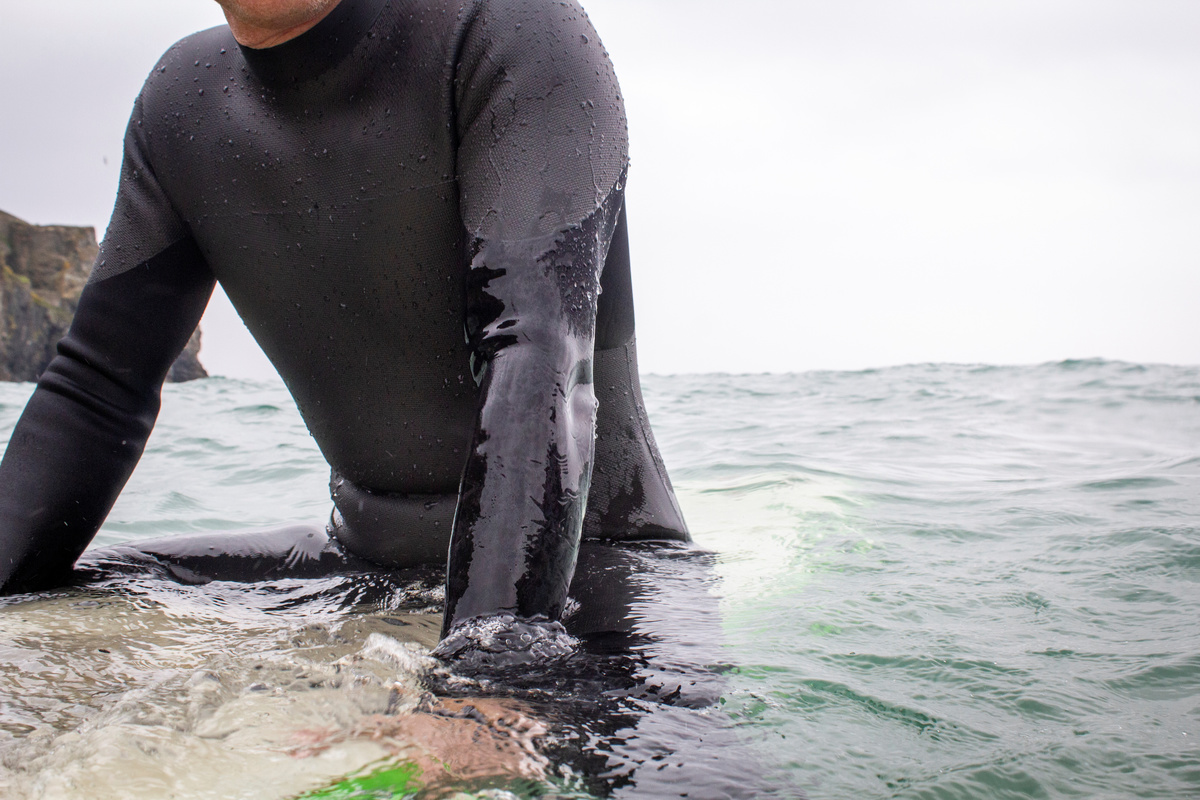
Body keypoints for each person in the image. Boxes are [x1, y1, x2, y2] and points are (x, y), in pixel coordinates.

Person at [0, 0, 689, 655]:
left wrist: (489, 672)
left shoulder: (504, 28)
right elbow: (96, 389)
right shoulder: (182, 101)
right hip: (357, 565)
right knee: (61, 600)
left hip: (591, 571)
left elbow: (535, 351)